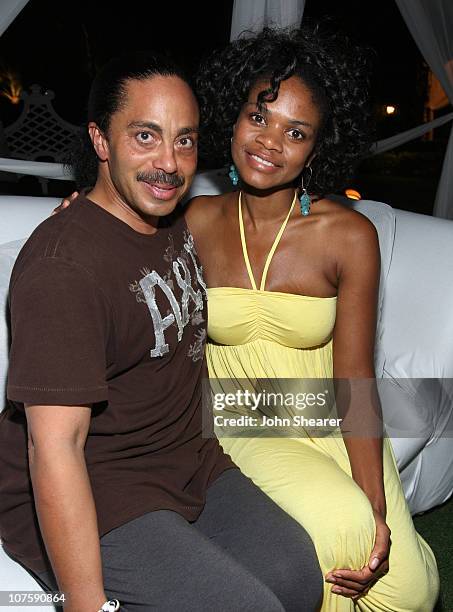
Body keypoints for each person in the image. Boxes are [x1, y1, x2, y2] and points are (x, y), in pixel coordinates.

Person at [0, 52, 323, 612]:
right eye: (145, 136)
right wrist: (84, 602)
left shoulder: (173, 217)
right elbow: (53, 447)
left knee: (299, 579)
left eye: (185, 140)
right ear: (101, 142)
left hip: (187, 459)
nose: (168, 164)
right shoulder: (63, 270)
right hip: (104, 487)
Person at [183, 25, 439, 612]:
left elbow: (355, 375)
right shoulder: (194, 220)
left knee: (411, 593)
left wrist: (376, 499)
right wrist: (81, 207)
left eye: (295, 132)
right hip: (239, 417)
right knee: (343, 535)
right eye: (259, 117)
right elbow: (119, 223)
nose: (270, 142)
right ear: (233, 118)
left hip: (325, 411)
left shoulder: (349, 236)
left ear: (317, 148)